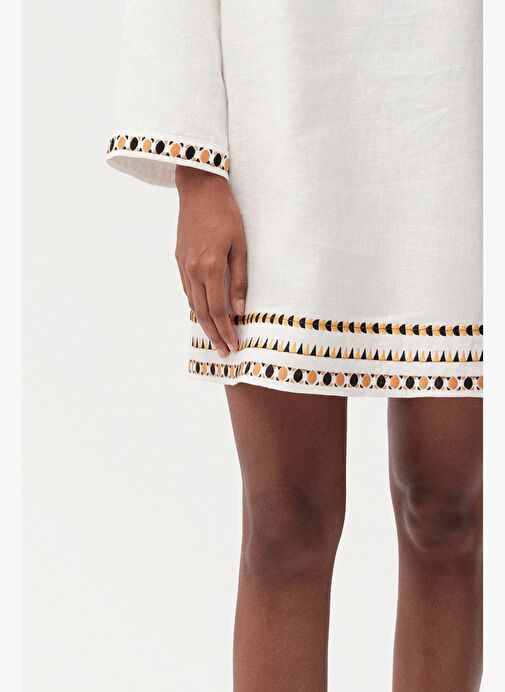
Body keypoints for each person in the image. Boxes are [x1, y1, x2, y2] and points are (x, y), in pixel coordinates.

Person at [107, 2, 483, 690]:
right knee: (286, 523)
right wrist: (197, 171)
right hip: (275, 114)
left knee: (446, 511)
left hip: (462, 105)